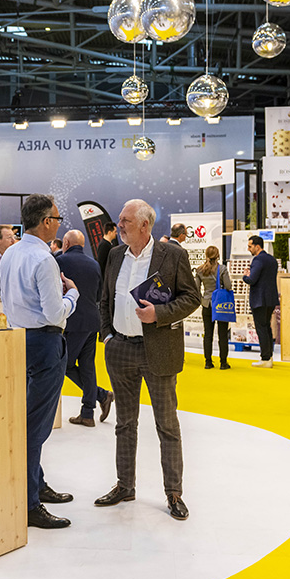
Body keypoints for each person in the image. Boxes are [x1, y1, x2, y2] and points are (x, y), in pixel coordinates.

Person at [96, 199, 201, 521]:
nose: (119, 225)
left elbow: (192, 297)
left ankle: (174, 492)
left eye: (125, 220)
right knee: (124, 424)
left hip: (158, 350)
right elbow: (105, 299)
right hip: (120, 349)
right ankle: (125, 485)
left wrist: (160, 313)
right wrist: (108, 336)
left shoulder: (173, 255)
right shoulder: (115, 255)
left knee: (166, 424)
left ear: (144, 224)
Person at [0, 195, 79, 529]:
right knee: (36, 426)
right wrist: (72, 295)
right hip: (45, 343)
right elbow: (55, 314)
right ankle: (30, 503)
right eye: (57, 219)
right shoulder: (44, 259)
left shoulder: (10, 253)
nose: (59, 224)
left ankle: (37, 483)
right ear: (46, 221)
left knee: (27, 419)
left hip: (17, 340)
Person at [55, 230, 112, 427]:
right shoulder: (93, 263)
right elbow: (98, 294)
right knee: (87, 366)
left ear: (66, 243)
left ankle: (101, 395)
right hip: (92, 321)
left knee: (65, 364)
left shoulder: (59, 262)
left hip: (72, 321)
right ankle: (88, 413)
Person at [243, 235, 280, 368]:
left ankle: (265, 358)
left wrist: (245, 276)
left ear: (257, 246)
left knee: (261, 328)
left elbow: (252, 280)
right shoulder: (272, 260)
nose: (248, 249)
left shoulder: (258, 260)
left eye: (250, 246)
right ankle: (269, 356)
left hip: (259, 299)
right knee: (267, 327)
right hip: (271, 298)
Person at [194, 245, 230, 370]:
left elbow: (196, 288)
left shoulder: (199, 270)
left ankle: (208, 362)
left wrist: (202, 300)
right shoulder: (222, 269)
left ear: (206, 255)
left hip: (207, 304)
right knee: (223, 334)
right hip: (220, 304)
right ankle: (223, 362)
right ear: (218, 255)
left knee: (208, 334)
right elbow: (228, 286)